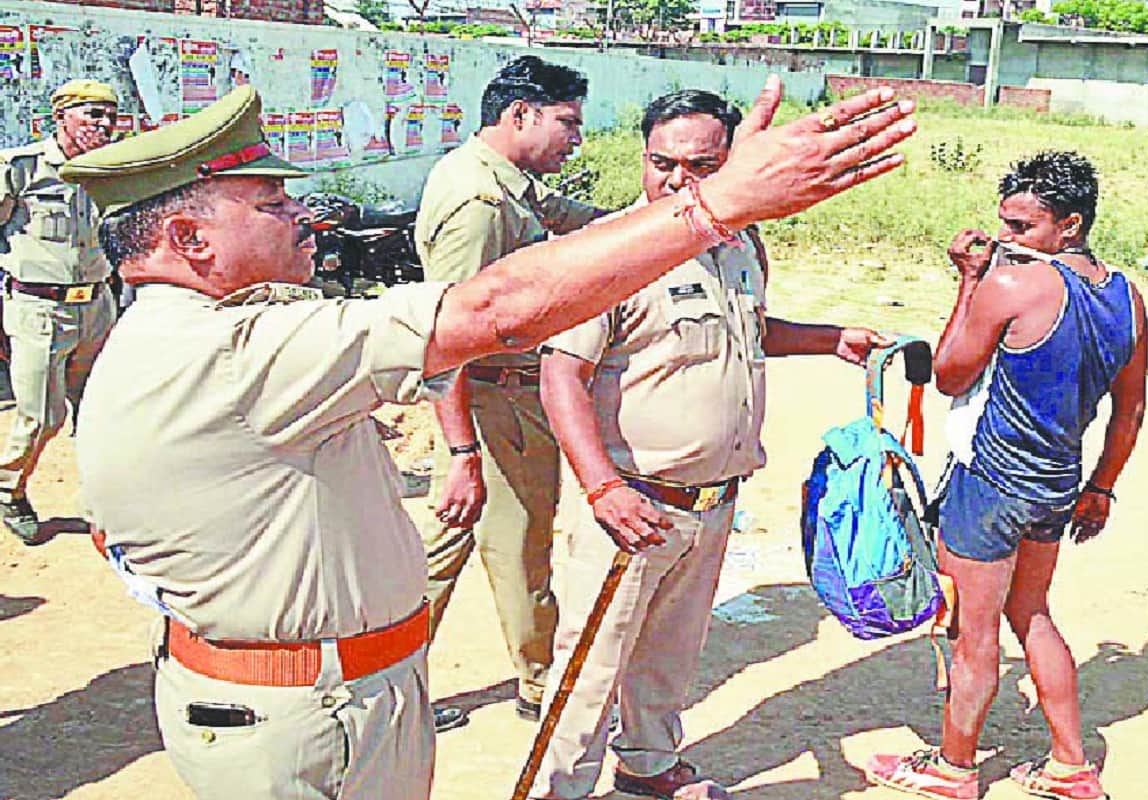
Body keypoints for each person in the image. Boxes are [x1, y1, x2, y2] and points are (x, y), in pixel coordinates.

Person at [62, 79, 915, 800]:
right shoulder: (228, 350)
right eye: (272, 203)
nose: (304, 217)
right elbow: (490, 313)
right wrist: (719, 203)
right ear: (187, 239)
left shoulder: (216, 327)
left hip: (340, 695)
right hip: (308, 716)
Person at [530, 89, 895, 800]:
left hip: (712, 501)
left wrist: (828, 340)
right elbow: (561, 376)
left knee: (670, 653)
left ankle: (647, 762)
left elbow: (749, 332)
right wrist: (604, 487)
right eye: (663, 163)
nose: (680, 181)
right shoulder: (615, 251)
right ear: (643, 159)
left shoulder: (739, 242)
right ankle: (561, 789)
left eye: (703, 164)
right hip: (633, 503)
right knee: (591, 663)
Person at [865, 151, 1148, 800]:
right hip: (1058, 481)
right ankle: (1070, 765)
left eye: (1021, 226)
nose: (1005, 239)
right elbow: (1129, 407)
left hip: (991, 482)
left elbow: (947, 373)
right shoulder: (1125, 296)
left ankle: (954, 768)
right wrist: (1101, 486)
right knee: (1034, 613)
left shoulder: (1014, 285)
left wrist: (970, 280)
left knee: (974, 631)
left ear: (1070, 225)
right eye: (1004, 223)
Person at [414, 54, 605, 725]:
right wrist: (464, 450)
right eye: (568, 123)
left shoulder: (504, 180)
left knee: (446, 550)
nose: (576, 139)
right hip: (490, 403)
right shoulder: (479, 202)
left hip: (490, 402)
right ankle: (539, 682)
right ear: (520, 115)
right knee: (521, 546)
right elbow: (447, 339)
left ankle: (391, 680)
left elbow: (568, 216)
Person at [0, 78, 118, 544]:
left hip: (96, 305)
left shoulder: (110, 170)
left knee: (99, 410)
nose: (104, 124)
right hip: (38, 307)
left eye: (110, 116)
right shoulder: (22, 168)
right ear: (62, 117)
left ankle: (103, 501)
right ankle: (9, 489)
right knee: (41, 415)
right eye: (92, 114)